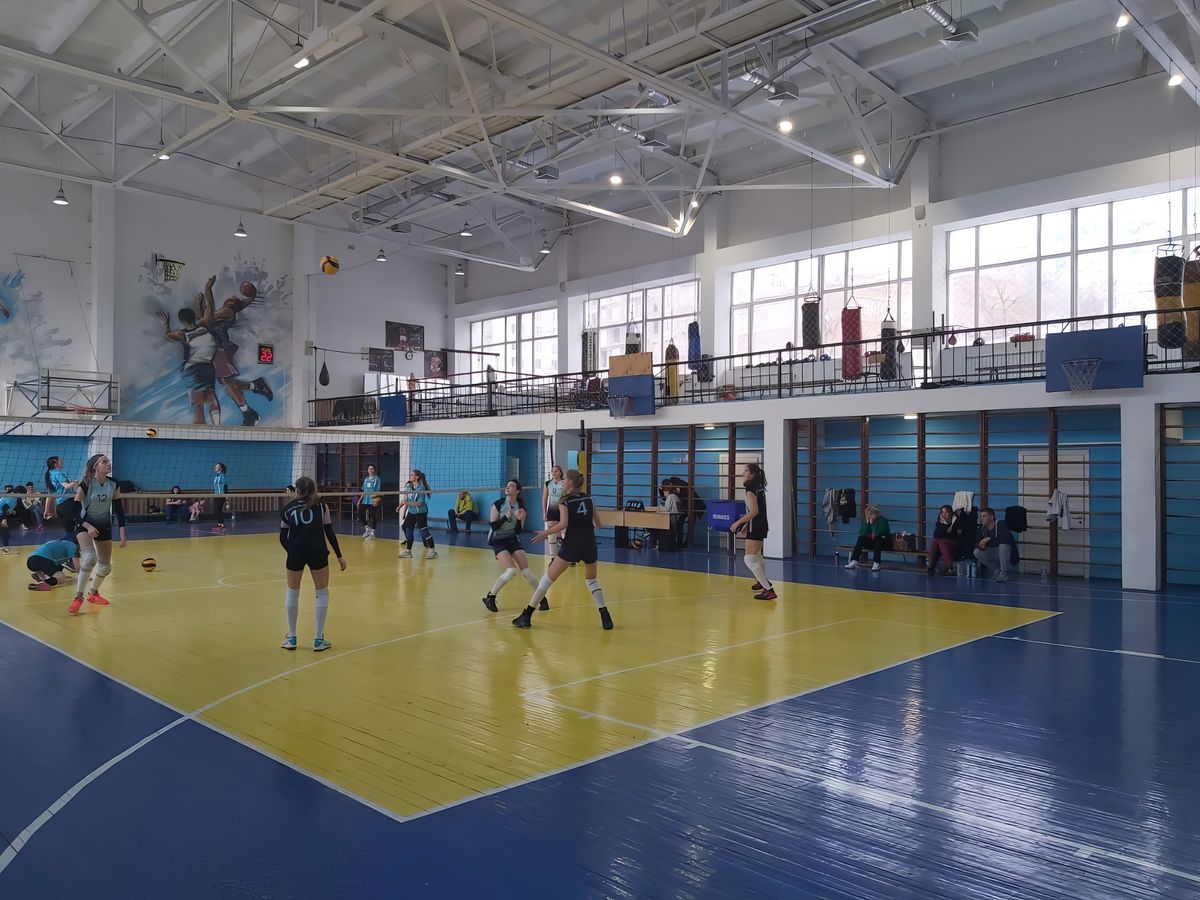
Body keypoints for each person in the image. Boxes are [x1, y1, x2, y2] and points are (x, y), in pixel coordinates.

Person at [518, 469, 613, 630]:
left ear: (569, 483)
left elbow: (563, 524)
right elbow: (598, 524)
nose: (562, 481)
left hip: (572, 545)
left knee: (547, 579)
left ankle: (526, 615)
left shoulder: (564, 501)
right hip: (589, 544)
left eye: (565, 479)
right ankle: (605, 615)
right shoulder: (589, 498)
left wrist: (545, 533)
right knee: (592, 580)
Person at [279, 476, 346, 651]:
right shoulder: (322, 506)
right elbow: (329, 532)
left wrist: (292, 551)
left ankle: (292, 638)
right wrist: (339, 556)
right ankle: (318, 639)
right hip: (317, 552)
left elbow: (282, 537)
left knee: (292, 593)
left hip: (296, 552)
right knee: (322, 593)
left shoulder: (287, 509)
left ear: (297, 490)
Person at [205, 276, 273, 426]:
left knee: (229, 386)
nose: (228, 299)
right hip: (219, 350)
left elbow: (207, 320)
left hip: (220, 350)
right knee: (229, 384)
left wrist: (208, 289)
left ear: (233, 306)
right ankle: (257, 385)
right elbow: (243, 303)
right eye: (229, 298)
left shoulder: (227, 311)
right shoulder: (229, 310)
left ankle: (250, 414)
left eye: (231, 300)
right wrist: (252, 296)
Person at [69, 452, 127, 615]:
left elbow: (118, 508)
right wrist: (87, 526)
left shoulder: (114, 483)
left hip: (104, 525)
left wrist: (122, 531)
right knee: (89, 559)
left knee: (105, 567)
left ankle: (93, 593)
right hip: (83, 523)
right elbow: (74, 511)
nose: (109, 464)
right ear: (95, 466)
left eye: (108, 461)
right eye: (104, 462)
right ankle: (78, 597)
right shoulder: (86, 483)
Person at [480, 479, 545, 612]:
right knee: (511, 571)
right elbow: (493, 525)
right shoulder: (498, 504)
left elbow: (518, 531)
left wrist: (519, 520)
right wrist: (505, 517)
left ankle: (541, 598)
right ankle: (490, 597)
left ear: (517, 490)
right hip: (498, 540)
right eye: (507, 485)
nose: (508, 487)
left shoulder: (521, 507)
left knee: (526, 571)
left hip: (512, 539)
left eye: (512, 486)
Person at [159, 301, 221, 424]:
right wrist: (200, 300)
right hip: (208, 367)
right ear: (193, 317)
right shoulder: (204, 325)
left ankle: (200, 430)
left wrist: (167, 323)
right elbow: (209, 309)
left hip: (193, 368)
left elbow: (167, 335)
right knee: (210, 396)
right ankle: (217, 427)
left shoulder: (183, 334)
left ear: (182, 322)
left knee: (197, 404)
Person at [729, 463, 776, 600]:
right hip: (760, 524)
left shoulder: (750, 488)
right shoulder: (758, 487)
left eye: (746, 471)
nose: (743, 474)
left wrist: (738, 523)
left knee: (749, 558)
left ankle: (769, 590)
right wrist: (746, 524)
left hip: (756, 525)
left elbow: (754, 511)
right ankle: (762, 581)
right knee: (756, 555)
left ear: (753, 474)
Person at [396, 469, 436, 559]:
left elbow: (420, 503)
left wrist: (407, 503)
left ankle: (433, 551)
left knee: (424, 532)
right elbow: (405, 499)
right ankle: (408, 551)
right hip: (411, 511)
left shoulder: (421, 488)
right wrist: (399, 506)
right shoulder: (409, 486)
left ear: (417, 477)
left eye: (412, 475)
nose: (410, 476)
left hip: (420, 512)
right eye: (410, 475)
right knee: (408, 530)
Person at [974, 507, 1016, 582]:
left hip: (1005, 553)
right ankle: (997, 570)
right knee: (976, 552)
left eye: (984, 516)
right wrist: (981, 544)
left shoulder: (1001, 524)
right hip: (993, 552)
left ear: (991, 517)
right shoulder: (982, 528)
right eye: (981, 516)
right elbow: (976, 542)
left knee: (1003, 545)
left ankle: (1003, 573)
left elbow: (1006, 540)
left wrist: (989, 539)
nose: (982, 518)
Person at [845, 505, 890, 571]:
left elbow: (879, 533)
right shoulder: (868, 520)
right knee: (861, 538)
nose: (870, 515)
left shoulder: (883, 520)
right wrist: (867, 524)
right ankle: (854, 560)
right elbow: (863, 532)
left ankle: (876, 562)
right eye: (869, 514)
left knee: (878, 539)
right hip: (874, 543)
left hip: (884, 543)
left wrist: (872, 524)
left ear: (876, 513)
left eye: (872, 513)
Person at [44, 455, 79, 536]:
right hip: (67, 503)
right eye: (60, 460)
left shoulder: (52, 474)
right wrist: (76, 482)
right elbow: (66, 486)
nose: (62, 461)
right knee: (72, 531)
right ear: (55, 464)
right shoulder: (57, 473)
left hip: (62, 505)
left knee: (70, 530)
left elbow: (50, 494)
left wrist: (46, 510)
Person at [541, 465, 565, 568]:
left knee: (565, 533)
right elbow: (544, 498)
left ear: (560, 473)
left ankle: (567, 557)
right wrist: (544, 513)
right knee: (552, 534)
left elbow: (566, 497)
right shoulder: (548, 484)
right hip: (551, 510)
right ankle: (553, 558)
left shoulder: (564, 483)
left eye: (556, 471)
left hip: (562, 509)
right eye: (552, 471)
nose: (553, 473)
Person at [926, 505, 957, 575]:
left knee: (941, 541)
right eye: (942, 512)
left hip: (955, 544)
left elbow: (953, 536)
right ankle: (931, 567)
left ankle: (949, 568)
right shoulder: (940, 521)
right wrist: (944, 524)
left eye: (946, 512)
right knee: (936, 541)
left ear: (950, 513)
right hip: (942, 544)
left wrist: (945, 525)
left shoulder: (956, 520)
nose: (944, 514)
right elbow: (936, 534)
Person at [359, 464, 382, 539]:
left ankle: (372, 533)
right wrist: (359, 500)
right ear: (368, 470)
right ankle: (367, 528)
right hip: (365, 501)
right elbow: (364, 491)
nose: (370, 470)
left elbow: (377, 491)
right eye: (369, 469)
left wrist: (376, 500)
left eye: (372, 469)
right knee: (360, 513)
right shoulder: (366, 479)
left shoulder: (377, 479)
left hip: (373, 501)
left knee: (373, 517)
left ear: (374, 470)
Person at [211, 462, 228, 531]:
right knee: (215, 510)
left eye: (217, 466)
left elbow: (225, 486)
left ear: (220, 468)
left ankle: (222, 524)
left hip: (221, 495)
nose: (215, 467)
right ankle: (218, 523)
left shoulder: (222, 476)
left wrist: (226, 496)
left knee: (218, 510)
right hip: (216, 495)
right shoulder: (216, 476)